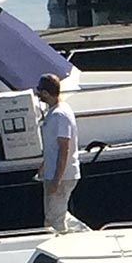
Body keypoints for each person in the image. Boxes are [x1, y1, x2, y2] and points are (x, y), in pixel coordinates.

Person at [36, 73, 81, 233]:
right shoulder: (53, 111)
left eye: (39, 91)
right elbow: (52, 147)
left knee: (55, 219)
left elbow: (64, 149)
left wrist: (57, 180)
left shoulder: (60, 115)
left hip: (62, 175)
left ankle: (64, 244)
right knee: (52, 214)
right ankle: (80, 233)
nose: (37, 95)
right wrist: (44, 165)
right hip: (52, 172)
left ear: (46, 93)